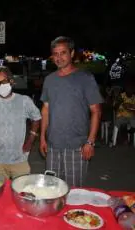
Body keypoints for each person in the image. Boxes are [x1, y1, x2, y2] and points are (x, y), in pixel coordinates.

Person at [40, 36, 102, 187]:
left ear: (72, 53)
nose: (59, 57)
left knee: (73, 191)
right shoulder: (49, 80)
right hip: (53, 145)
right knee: (52, 190)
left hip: (77, 146)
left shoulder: (85, 78)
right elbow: (46, 109)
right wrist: (42, 137)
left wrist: (90, 142)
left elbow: (96, 111)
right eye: (55, 54)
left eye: (63, 53)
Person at [0, 66, 41, 179]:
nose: (1, 85)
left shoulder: (24, 101)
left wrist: (31, 139)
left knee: (22, 192)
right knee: (0, 193)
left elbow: (36, 117)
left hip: (19, 160)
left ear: (11, 81)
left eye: (4, 81)